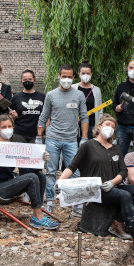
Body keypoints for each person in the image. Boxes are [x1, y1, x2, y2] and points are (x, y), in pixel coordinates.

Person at [58, 114, 134, 263]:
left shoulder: (115, 148)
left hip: (112, 187)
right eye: (107, 124)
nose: (110, 128)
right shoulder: (88, 146)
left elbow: (123, 171)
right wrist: (60, 182)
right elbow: (72, 166)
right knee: (125, 196)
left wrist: (112, 181)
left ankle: (117, 222)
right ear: (99, 127)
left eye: (113, 126)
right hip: (95, 190)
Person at [0, 114, 59, 230]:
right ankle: (39, 216)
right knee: (32, 177)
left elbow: (28, 170)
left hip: (9, 183)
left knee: (40, 175)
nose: (7, 129)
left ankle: (36, 215)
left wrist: (41, 161)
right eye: (4, 127)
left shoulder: (13, 148)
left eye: (9, 126)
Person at [36, 64, 89, 214]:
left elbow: (84, 117)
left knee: (75, 172)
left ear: (74, 78)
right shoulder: (51, 95)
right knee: (51, 171)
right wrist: (38, 137)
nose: (66, 79)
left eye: (69, 77)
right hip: (52, 138)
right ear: (59, 76)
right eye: (64, 76)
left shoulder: (79, 95)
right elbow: (44, 116)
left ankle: (77, 204)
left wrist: (84, 139)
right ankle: (50, 202)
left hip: (71, 140)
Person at [9, 69, 44, 144]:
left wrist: (43, 131)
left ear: (34, 80)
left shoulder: (42, 97)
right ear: (21, 81)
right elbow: (9, 115)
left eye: (30, 79)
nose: (27, 81)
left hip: (37, 134)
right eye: (25, 79)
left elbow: (47, 115)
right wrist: (12, 117)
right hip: (19, 134)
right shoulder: (16, 97)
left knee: (36, 156)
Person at [72, 60, 103, 139]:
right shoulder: (73, 88)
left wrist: (99, 126)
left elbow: (99, 110)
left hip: (91, 125)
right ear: (79, 74)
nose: (85, 75)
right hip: (74, 126)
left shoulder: (96, 90)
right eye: (83, 73)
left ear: (91, 74)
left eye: (88, 73)